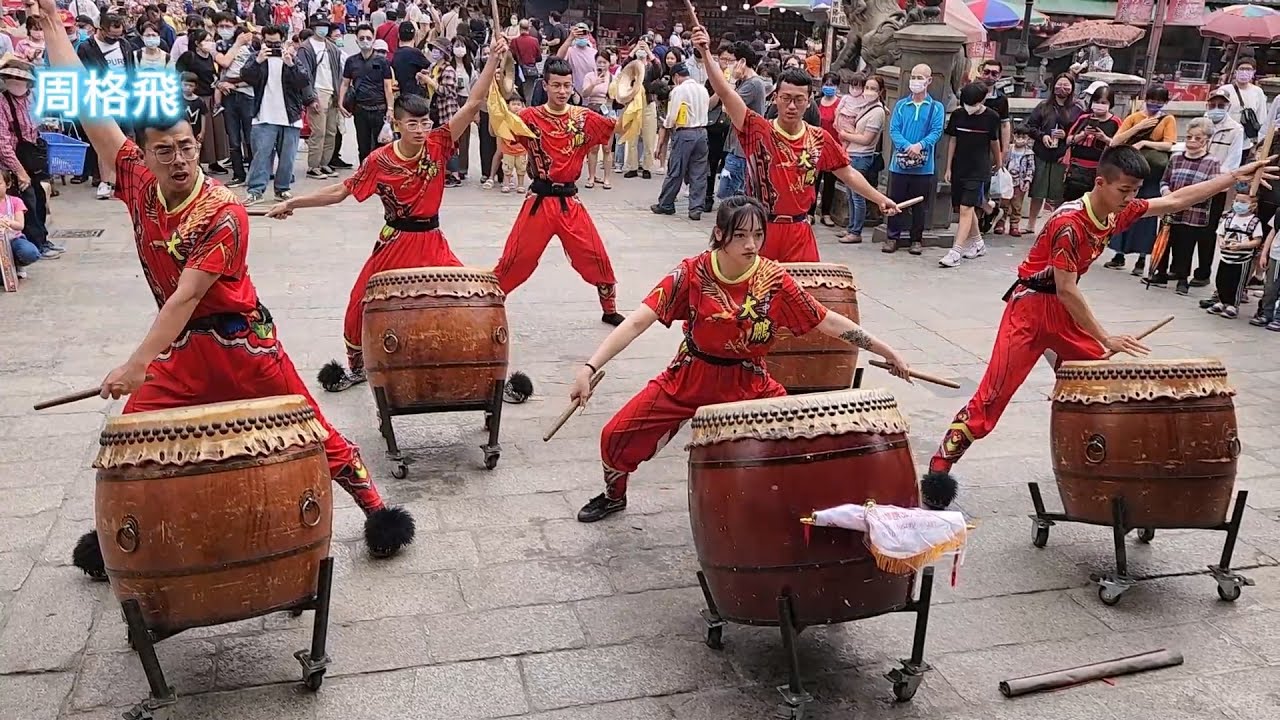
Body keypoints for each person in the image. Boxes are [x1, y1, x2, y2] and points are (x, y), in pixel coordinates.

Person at [25, 0, 416, 570]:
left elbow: (185, 295)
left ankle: (376, 509)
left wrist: (136, 362)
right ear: (145, 155)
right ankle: (115, 538)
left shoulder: (223, 211)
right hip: (179, 354)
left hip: (242, 348)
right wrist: (56, 30)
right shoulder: (135, 178)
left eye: (188, 147)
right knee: (128, 439)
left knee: (308, 426)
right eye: (166, 151)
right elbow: (86, 105)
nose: (181, 159)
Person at [925, 145, 1278, 505]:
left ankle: (1091, 464)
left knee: (1097, 386)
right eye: (1124, 190)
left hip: (1063, 313)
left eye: (1136, 191)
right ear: (1100, 182)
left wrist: (1233, 178)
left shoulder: (1114, 212)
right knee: (993, 397)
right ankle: (939, 469)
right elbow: (1066, 290)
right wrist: (1106, 336)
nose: (1131, 199)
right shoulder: (1068, 224)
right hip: (1030, 311)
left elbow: (1173, 202)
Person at [570, 197, 913, 522]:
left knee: (800, 444)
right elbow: (637, 321)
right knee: (615, 437)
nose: (752, 244)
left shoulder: (774, 279)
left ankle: (791, 512)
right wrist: (590, 367)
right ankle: (615, 495)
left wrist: (885, 350)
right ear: (719, 234)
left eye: (758, 234)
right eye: (741, 235)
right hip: (690, 374)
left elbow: (827, 320)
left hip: (749, 383)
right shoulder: (692, 273)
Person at [267, 35, 507, 392]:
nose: (422, 130)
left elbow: (472, 104)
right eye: (413, 124)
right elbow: (339, 191)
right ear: (397, 124)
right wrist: (292, 203)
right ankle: (357, 366)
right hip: (395, 243)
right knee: (359, 303)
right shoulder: (380, 161)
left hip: (433, 242)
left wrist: (492, 60)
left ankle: (490, 376)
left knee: (475, 300)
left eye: (425, 123)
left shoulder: (439, 143)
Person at [696, 27, 895, 263]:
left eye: (799, 99)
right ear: (775, 97)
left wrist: (879, 198)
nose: (792, 106)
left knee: (806, 294)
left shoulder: (819, 138)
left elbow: (848, 173)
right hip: (760, 231)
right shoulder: (757, 130)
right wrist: (706, 52)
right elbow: (726, 93)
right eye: (786, 98)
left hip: (800, 232)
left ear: (809, 100)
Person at [491, 57, 625, 327]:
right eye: (556, 85)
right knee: (516, 258)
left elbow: (616, 128)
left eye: (566, 85)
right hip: (539, 202)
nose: (562, 91)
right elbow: (500, 121)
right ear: (545, 85)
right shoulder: (529, 117)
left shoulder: (583, 117)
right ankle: (491, 304)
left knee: (595, 254)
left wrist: (631, 94)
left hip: (570, 203)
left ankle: (609, 309)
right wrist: (496, 79)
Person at [1105, 84, 1175, 277]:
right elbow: (1115, 141)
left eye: (1159, 101)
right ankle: (1119, 254)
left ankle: (1142, 257)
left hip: (1152, 172)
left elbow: (1169, 143)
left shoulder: (1167, 119)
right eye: (1152, 100)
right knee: (1124, 209)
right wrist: (1139, 127)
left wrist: (1144, 142)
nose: (1155, 104)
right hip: (1130, 171)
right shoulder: (1134, 117)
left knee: (1147, 213)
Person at [940, 82, 1001, 268]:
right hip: (960, 166)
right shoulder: (958, 115)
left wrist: (999, 163)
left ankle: (955, 251)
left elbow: (994, 142)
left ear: (982, 100)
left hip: (979, 169)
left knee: (967, 208)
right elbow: (953, 141)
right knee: (965, 207)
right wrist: (948, 167)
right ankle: (978, 243)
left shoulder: (992, 117)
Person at [1158, 118, 1221, 295]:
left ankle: (1182, 279)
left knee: (1185, 246)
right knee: (1165, 241)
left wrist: (1190, 198)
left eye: (1197, 138)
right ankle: (1159, 273)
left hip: (1194, 212)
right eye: (1189, 137)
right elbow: (1165, 179)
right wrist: (1166, 192)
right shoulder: (1176, 158)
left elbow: (1212, 188)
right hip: (1171, 209)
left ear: (1206, 140)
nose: (1192, 141)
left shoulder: (1212, 162)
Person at [650, 62, 709, 220]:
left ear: (676, 77)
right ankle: (696, 208)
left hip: (685, 133)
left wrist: (666, 124)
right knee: (699, 172)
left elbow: (673, 115)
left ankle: (666, 203)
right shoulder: (702, 89)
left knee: (676, 170)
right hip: (702, 132)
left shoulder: (679, 90)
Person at [1023, 73, 1081, 233]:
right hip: (1042, 153)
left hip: (1062, 155)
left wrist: (1066, 135)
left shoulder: (1076, 110)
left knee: (1058, 192)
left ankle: (1055, 225)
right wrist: (1043, 136)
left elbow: (1080, 131)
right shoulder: (1043, 106)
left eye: (1066, 85)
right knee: (1038, 190)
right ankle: (1031, 224)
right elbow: (1030, 126)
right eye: (1059, 84)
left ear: (1071, 89)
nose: (1062, 88)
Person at [835, 72, 884, 245]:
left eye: (873, 89)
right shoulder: (863, 106)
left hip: (862, 156)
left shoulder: (877, 112)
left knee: (858, 195)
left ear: (880, 92)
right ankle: (851, 227)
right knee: (850, 193)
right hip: (852, 153)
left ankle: (856, 231)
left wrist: (845, 134)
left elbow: (866, 139)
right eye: (867, 88)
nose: (868, 91)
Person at [339, 22, 394, 164]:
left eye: (368, 38)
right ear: (356, 40)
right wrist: (340, 103)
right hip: (360, 110)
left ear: (373, 40)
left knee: (380, 146)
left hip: (379, 110)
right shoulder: (351, 61)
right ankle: (364, 176)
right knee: (362, 146)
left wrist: (390, 109)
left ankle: (379, 175)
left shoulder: (382, 62)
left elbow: (388, 87)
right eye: (362, 38)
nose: (365, 41)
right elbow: (345, 83)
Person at [1208, 189, 1264, 319]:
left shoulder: (1254, 222)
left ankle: (1233, 304)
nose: (1238, 204)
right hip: (1225, 256)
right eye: (1237, 201)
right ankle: (1221, 301)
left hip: (1242, 258)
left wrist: (1241, 246)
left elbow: (1257, 240)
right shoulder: (1229, 218)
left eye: (1243, 202)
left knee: (1237, 282)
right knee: (1221, 279)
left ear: (1253, 205)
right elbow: (1220, 233)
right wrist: (1221, 242)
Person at [1062, 85, 1119, 203]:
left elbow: (1120, 145)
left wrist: (1104, 139)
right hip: (1076, 169)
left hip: (1099, 170)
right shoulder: (1083, 118)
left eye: (1103, 102)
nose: (1099, 105)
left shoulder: (1115, 122)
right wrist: (1083, 134)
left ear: (1110, 104)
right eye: (1096, 102)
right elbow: (1068, 140)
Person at [0, 170, 39, 280]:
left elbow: (20, 225)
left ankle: (19, 264)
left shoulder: (15, 202)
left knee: (29, 252)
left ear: (8, 184)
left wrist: (8, 222)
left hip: (13, 239)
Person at [1252, 222, 1280, 330]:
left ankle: (1278, 318)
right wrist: (1264, 254)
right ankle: (1266, 314)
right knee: (1270, 288)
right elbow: (1272, 233)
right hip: (1276, 255)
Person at [497, 96, 527, 193]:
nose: (516, 107)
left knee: (521, 168)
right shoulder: (505, 118)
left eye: (519, 104)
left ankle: (521, 185)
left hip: (521, 149)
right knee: (507, 168)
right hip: (508, 148)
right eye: (513, 104)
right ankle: (506, 184)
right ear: (508, 106)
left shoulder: (525, 118)